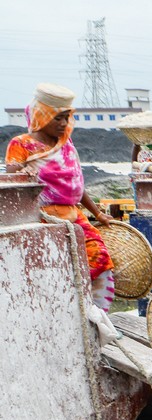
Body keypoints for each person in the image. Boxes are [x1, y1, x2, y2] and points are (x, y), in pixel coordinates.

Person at [5, 83, 115, 311]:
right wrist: (25, 174)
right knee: (56, 266)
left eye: (67, 118)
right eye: (58, 118)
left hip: (73, 214)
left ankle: (93, 314)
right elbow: (12, 178)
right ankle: (69, 308)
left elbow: (76, 183)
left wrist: (97, 214)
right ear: (42, 115)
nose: (64, 124)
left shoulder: (65, 144)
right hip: (44, 217)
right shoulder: (21, 144)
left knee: (100, 258)